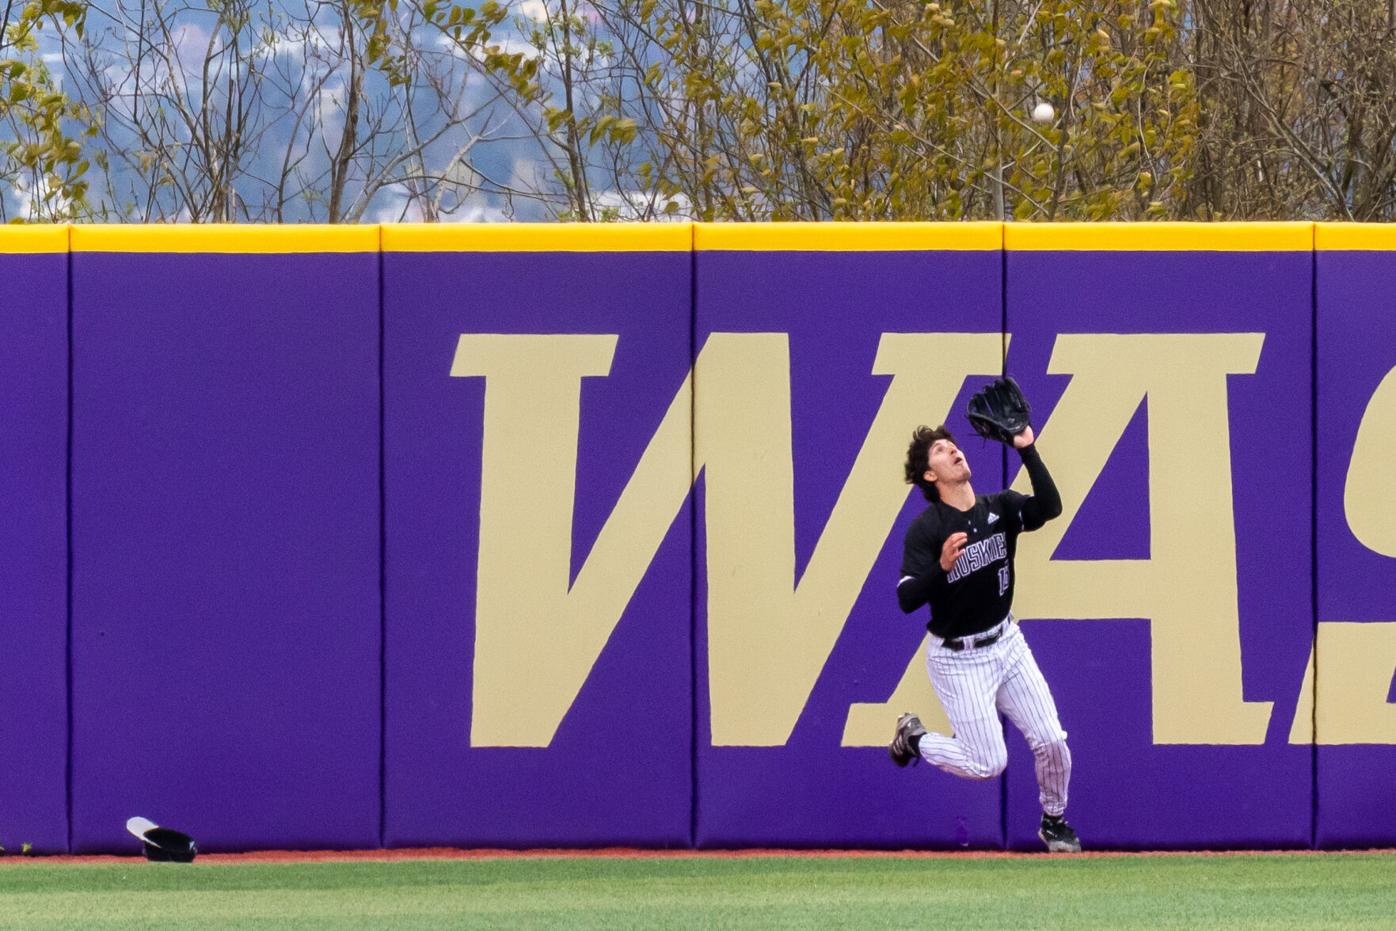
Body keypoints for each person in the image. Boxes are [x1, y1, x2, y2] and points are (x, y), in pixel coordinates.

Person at [889, 420, 1081, 853]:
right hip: (957, 658)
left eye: (952, 445)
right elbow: (906, 599)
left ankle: (1054, 821)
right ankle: (915, 737)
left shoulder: (999, 508)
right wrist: (939, 569)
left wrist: (1027, 449)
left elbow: (1050, 508)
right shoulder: (927, 528)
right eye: (940, 450)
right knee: (987, 763)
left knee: (1052, 740)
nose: (953, 451)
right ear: (929, 475)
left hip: (1006, 642)